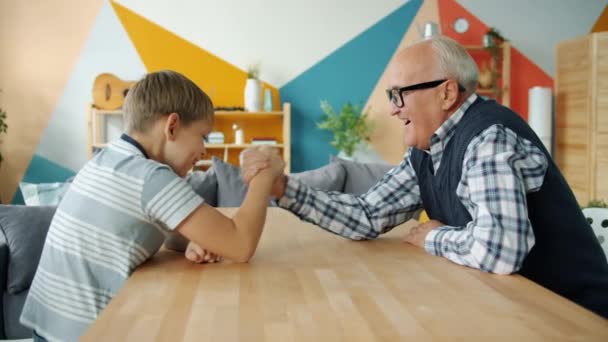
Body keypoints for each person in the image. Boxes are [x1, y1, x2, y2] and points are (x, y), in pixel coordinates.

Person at [234, 36, 608, 318]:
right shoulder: (427, 151)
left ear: (447, 92)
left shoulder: (488, 139)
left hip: (575, 315)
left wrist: (435, 237)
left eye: (399, 95)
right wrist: (286, 188)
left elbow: (501, 250)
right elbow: (367, 215)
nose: (393, 110)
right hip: (519, 308)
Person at [20, 70, 285, 341]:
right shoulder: (151, 178)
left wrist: (193, 241)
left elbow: (160, 229)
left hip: (47, 327)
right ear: (172, 126)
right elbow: (240, 245)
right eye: (203, 136)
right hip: (85, 334)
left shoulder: (110, 158)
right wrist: (264, 176)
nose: (204, 150)